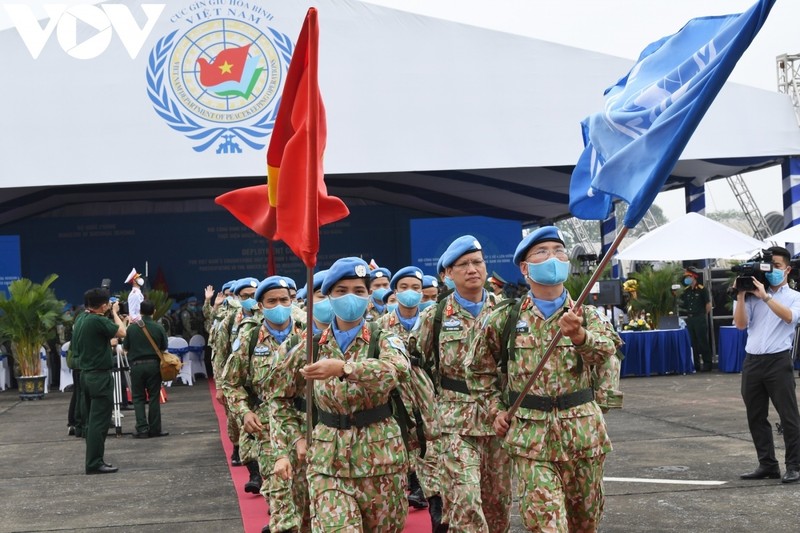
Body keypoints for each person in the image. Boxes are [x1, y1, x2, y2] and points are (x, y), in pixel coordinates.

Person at [467, 226, 621, 531]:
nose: (553, 257)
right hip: (530, 437)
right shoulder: (505, 318)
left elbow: (607, 352)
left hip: (583, 435)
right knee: (545, 524)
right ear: (525, 268)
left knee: (585, 523)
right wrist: (495, 409)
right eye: (542, 252)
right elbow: (480, 371)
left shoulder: (588, 315)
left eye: (559, 251)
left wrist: (580, 336)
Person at [270, 257, 412, 532]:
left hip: (381, 459)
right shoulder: (309, 347)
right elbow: (279, 396)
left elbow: (396, 371)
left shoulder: (385, 338)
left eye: (359, 291)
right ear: (328, 297)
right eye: (341, 291)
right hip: (327, 461)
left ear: (369, 297)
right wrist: (294, 438)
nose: (351, 298)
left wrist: (345, 368)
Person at [412, 235, 510, 532]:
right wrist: (429, 414)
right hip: (453, 422)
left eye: (477, 262)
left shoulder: (505, 311)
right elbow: (414, 366)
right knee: (464, 503)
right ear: (447, 274)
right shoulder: (435, 316)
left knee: (497, 506)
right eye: (463, 264)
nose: (472, 269)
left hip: (498, 421)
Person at [222, 276, 309, 533]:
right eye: (272, 301)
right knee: (280, 493)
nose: (279, 305)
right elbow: (230, 383)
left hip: (307, 424)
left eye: (284, 299)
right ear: (261, 306)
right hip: (267, 426)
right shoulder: (249, 340)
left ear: (292, 300)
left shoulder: (309, 335)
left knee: (306, 497)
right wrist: (244, 411)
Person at [734, 246, 800, 484]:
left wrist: (766, 297)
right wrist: (741, 295)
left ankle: (794, 465)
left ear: (788, 270)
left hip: (778, 361)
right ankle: (767, 464)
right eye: (768, 266)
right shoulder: (752, 295)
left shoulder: (794, 297)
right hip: (752, 361)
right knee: (755, 415)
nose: (772, 271)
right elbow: (741, 325)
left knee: (788, 415)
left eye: (778, 267)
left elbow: (790, 317)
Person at [71, 288, 126, 474]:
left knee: (91, 420)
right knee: (99, 422)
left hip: (86, 374)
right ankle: (94, 462)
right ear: (103, 306)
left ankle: (95, 459)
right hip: (99, 376)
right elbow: (122, 332)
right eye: (108, 304)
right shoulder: (98, 320)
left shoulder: (81, 319)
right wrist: (116, 314)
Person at [124, 300, 169, 439]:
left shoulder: (131, 328)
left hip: (136, 366)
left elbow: (126, 346)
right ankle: (155, 429)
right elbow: (164, 346)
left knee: (138, 398)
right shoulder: (158, 327)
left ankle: (142, 428)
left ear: (140, 312)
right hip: (154, 365)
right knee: (154, 397)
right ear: (154, 311)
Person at [679, 266, 713, 372]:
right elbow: (683, 304)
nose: (687, 279)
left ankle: (707, 364)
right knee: (693, 343)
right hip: (690, 319)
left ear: (693, 277)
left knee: (703, 341)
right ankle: (696, 365)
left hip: (699, 318)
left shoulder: (702, 289)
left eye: (688, 276)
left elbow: (708, 305)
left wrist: (702, 315)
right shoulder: (686, 291)